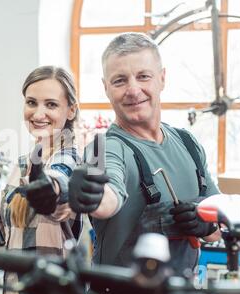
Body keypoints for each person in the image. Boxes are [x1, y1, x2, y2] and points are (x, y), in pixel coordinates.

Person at [68, 33, 221, 276]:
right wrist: (91, 194)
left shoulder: (188, 143)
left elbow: (217, 228)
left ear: (162, 78)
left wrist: (206, 221)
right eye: (119, 81)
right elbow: (106, 200)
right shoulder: (101, 147)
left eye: (143, 76)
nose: (133, 89)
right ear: (106, 88)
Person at [0, 66, 81, 294]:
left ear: (70, 110)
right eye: (32, 103)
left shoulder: (70, 160)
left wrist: (51, 187)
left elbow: (58, 180)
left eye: (51, 104)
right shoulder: (22, 165)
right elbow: (1, 241)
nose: (38, 114)